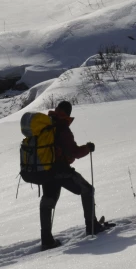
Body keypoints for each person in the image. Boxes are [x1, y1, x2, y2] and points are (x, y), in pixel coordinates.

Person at [40, 101, 110, 250]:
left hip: (45, 171)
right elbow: (74, 152)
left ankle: (46, 240)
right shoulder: (62, 128)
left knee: (47, 202)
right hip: (61, 171)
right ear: (68, 112)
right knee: (87, 190)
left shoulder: (46, 125)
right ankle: (92, 227)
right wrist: (88, 148)